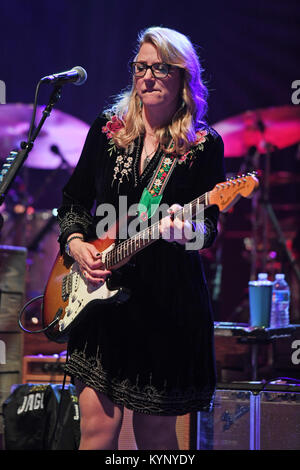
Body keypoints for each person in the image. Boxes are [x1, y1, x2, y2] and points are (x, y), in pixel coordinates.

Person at [57, 26, 225, 450]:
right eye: (141, 67)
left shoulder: (202, 146)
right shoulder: (108, 130)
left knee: (156, 438)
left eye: (161, 68)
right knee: (96, 433)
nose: (148, 76)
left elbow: (207, 232)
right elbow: (75, 199)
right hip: (100, 301)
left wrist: (182, 229)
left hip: (165, 304)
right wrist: (76, 244)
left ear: (183, 77)